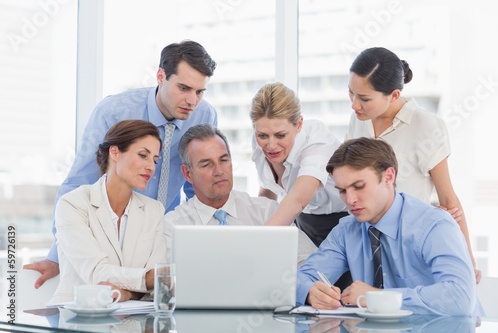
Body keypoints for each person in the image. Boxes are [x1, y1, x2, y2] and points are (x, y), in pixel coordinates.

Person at [24, 40, 217, 288]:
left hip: (162, 235)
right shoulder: (113, 111)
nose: (192, 100)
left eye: (200, 92)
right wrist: (58, 254)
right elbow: (80, 180)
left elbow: (198, 185)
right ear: (161, 76)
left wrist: (206, 240)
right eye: (184, 88)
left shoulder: (205, 116)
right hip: (111, 233)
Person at [296, 137, 481, 316]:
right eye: (343, 191)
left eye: (359, 186)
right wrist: (310, 292)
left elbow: (460, 297)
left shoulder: (434, 225)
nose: (350, 200)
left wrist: (378, 298)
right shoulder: (346, 231)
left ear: (388, 177)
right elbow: (300, 279)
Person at [345, 47, 480, 282]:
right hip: (365, 242)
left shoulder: (425, 126)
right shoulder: (359, 120)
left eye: (365, 99)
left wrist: (468, 262)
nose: (354, 105)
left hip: (408, 248)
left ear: (394, 95)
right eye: (351, 93)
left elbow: (449, 201)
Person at [163, 124, 317, 266]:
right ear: (188, 174)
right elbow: (166, 280)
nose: (219, 171)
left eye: (224, 160)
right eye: (207, 164)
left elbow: (310, 261)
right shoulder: (173, 226)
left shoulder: (267, 212)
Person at [49, 120, 167, 304]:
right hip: (74, 317)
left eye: (155, 160)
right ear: (115, 152)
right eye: (143, 155)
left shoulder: (154, 210)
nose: (151, 166)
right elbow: (97, 273)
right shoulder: (72, 204)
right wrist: (148, 279)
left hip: (133, 321)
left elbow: (158, 286)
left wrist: (127, 293)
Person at [249, 82, 348, 246]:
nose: (271, 145)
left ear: (299, 125)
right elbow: (267, 188)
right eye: (263, 135)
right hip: (300, 220)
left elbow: (297, 200)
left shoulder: (317, 142)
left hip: (339, 224)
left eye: (280, 135)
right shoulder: (260, 141)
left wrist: (258, 243)